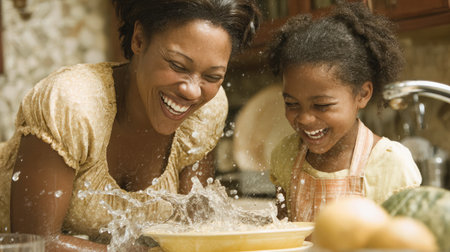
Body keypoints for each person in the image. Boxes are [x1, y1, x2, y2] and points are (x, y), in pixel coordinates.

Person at [0, 0, 261, 251]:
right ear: (139, 39)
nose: (193, 91)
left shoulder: (206, 111)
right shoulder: (71, 105)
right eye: (177, 65)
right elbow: (35, 245)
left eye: (212, 76)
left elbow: (193, 231)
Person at [267, 2, 421, 222]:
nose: (304, 118)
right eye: (291, 104)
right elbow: (281, 235)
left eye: (321, 105)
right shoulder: (286, 154)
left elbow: (406, 240)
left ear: (362, 94)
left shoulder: (389, 165)